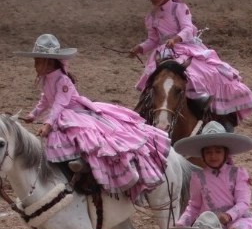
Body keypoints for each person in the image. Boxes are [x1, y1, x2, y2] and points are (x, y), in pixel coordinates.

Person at [15, 33, 170, 201]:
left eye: (38, 61)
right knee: (62, 138)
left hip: (74, 113)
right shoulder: (46, 80)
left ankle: (83, 163)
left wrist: (48, 123)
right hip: (62, 115)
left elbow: (59, 103)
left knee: (83, 137)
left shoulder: (63, 80)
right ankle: (65, 167)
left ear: (49, 62)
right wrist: (33, 114)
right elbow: (45, 99)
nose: (35, 65)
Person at [124, 0, 252, 127]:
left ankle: (206, 110)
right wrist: (140, 48)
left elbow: (188, 28)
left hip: (185, 48)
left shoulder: (179, 8)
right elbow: (153, 40)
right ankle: (147, 115)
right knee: (153, 83)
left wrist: (176, 38)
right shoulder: (151, 16)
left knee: (206, 74)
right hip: (163, 52)